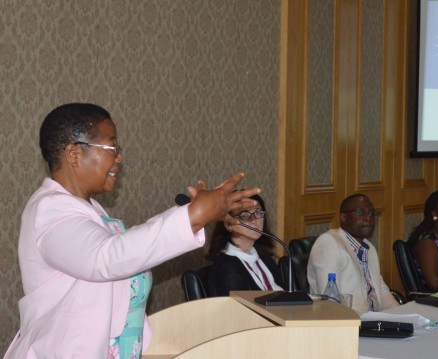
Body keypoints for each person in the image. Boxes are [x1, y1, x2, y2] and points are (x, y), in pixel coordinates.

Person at [4, 103, 260, 359]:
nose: (119, 157)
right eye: (112, 147)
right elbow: (106, 258)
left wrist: (192, 215)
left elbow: (128, 250)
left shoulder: (89, 210)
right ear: (74, 154)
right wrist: (192, 217)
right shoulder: (50, 210)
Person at [307, 193, 400, 315]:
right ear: (343, 217)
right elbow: (330, 301)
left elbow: (381, 291)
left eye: (372, 213)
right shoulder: (329, 242)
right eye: (360, 213)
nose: (368, 218)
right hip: (348, 324)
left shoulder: (369, 248)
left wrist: (400, 315)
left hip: (374, 323)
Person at [205, 193, 284, 296]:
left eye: (258, 213)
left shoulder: (265, 258)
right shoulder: (226, 269)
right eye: (245, 215)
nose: (254, 220)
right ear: (229, 225)